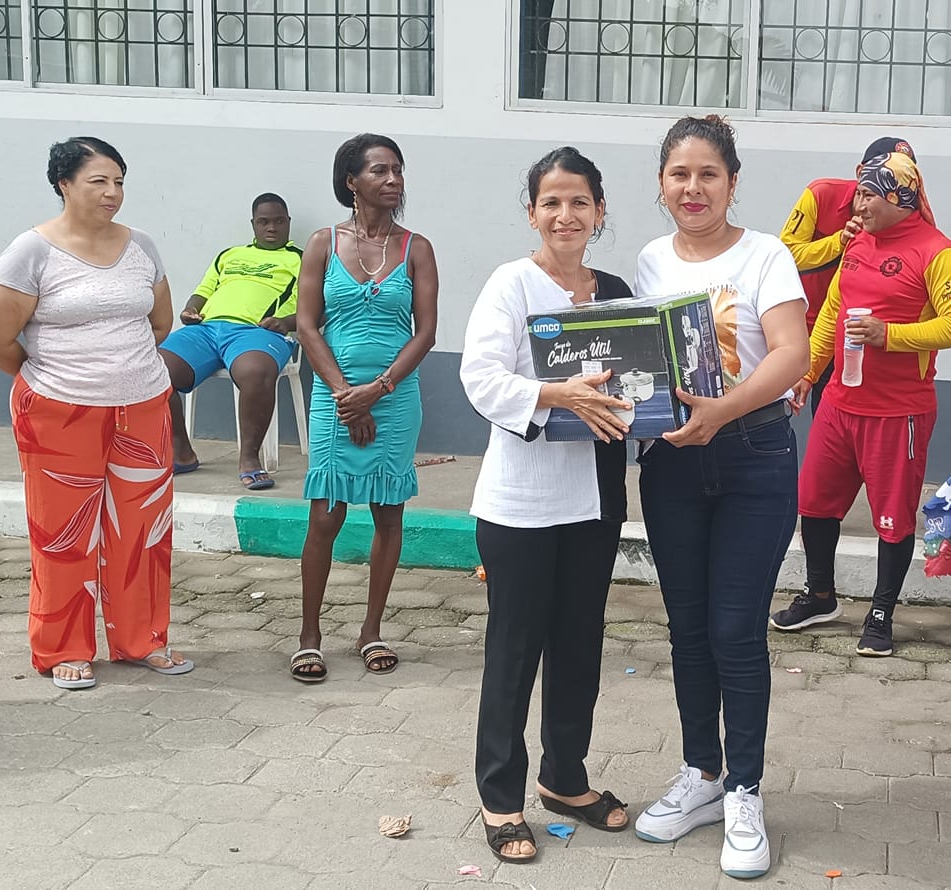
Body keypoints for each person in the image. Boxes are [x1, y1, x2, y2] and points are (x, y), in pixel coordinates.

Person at [631, 115, 808, 881]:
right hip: (671, 464)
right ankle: (701, 774)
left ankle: (744, 790)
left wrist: (722, 411)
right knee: (688, 629)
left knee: (735, 630)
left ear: (732, 183)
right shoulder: (648, 262)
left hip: (753, 457)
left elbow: (792, 353)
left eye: (708, 174)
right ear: (661, 184)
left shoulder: (766, 255)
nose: (693, 188)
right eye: (680, 174)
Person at [461, 147, 635, 864]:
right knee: (515, 647)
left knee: (579, 644)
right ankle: (500, 795)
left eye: (579, 202)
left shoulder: (616, 291)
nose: (566, 215)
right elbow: (480, 377)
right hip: (521, 502)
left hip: (593, 499)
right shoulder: (512, 284)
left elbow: (637, 381)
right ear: (532, 213)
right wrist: (554, 395)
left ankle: (564, 779)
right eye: (552, 202)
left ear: (599, 211)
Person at [0, 136, 190, 690]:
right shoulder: (31, 251)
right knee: (64, 535)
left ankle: (142, 640)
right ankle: (63, 648)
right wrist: (52, 376)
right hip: (58, 411)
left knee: (143, 531)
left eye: (119, 181)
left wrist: (123, 370)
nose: (112, 192)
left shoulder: (142, 246)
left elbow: (159, 323)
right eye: (98, 181)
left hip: (143, 408)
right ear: (64, 184)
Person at [772, 152, 951, 658]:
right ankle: (820, 595)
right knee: (813, 501)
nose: (856, 205)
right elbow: (833, 312)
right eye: (858, 193)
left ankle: (881, 612)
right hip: (840, 402)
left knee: (892, 518)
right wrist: (809, 372)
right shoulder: (857, 243)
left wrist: (891, 335)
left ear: (899, 197)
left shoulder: (942, 254)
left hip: (899, 410)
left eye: (867, 194)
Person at [288, 134, 439, 681]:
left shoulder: (417, 248)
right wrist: (345, 396)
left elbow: (426, 332)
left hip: (395, 399)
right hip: (335, 396)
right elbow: (307, 325)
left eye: (397, 170)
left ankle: (371, 630)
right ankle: (309, 636)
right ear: (351, 181)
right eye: (380, 170)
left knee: (388, 512)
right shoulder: (322, 243)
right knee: (326, 514)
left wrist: (377, 390)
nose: (393, 179)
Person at [162, 192, 302, 490]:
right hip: (206, 329)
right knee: (154, 369)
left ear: (289, 222)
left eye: (279, 221)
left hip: (258, 331)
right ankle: (181, 451)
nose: (272, 228)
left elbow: (319, 307)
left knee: (255, 372)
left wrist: (287, 323)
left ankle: (249, 458)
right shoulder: (229, 255)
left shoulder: (300, 259)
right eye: (264, 222)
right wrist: (190, 309)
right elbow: (203, 290)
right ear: (253, 224)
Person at [777, 136, 915, 413]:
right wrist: (839, 241)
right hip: (805, 328)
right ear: (860, 172)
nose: (893, 188)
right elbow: (786, 254)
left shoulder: (904, 218)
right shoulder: (820, 194)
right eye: (885, 176)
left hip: (859, 337)